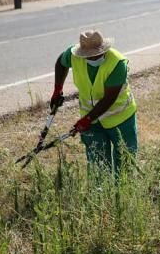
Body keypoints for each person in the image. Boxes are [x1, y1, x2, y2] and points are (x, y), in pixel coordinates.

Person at [51, 29, 137, 175]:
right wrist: (57, 89)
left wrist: (87, 119)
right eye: (89, 56)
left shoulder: (117, 63)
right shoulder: (74, 56)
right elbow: (61, 62)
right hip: (91, 122)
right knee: (98, 163)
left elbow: (109, 98)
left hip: (120, 118)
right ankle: (101, 194)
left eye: (98, 54)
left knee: (125, 162)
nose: (94, 57)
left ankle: (123, 193)